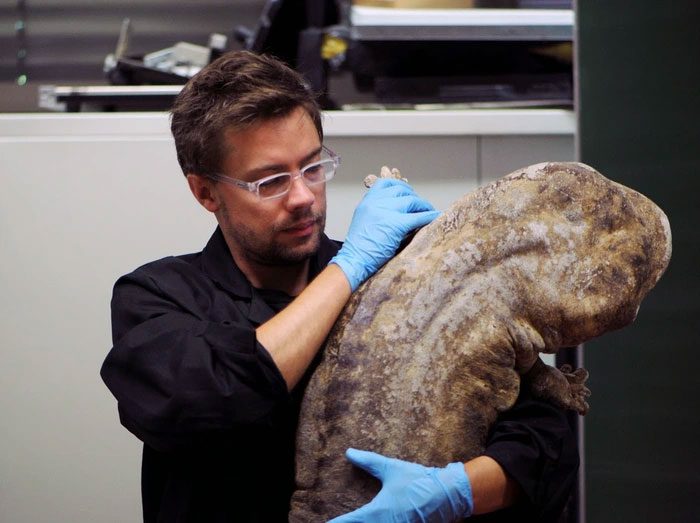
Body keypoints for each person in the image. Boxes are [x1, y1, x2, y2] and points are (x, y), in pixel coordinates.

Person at [101, 50, 578, 522]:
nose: (304, 197)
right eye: (270, 182)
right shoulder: (157, 297)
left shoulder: (395, 281)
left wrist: (455, 492)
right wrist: (350, 268)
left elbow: (544, 436)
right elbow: (212, 396)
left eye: (313, 167)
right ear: (205, 192)